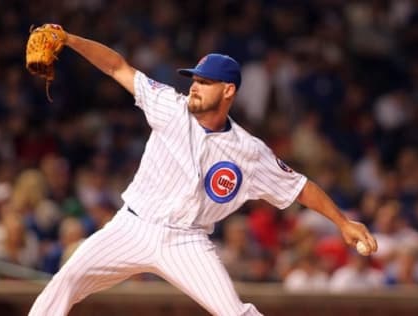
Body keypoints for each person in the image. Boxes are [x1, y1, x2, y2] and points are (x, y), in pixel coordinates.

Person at [28, 26, 378, 316]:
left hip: (186, 240)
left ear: (228, 91)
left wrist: (342, 222)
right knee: (65, 281)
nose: (194, 85)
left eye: (205, 81)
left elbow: (300, 187)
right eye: (194, 78)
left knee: (236, 313)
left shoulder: (248, 151)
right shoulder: (170, 107)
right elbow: (117, 67)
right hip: (133, 225)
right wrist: (71, 40)